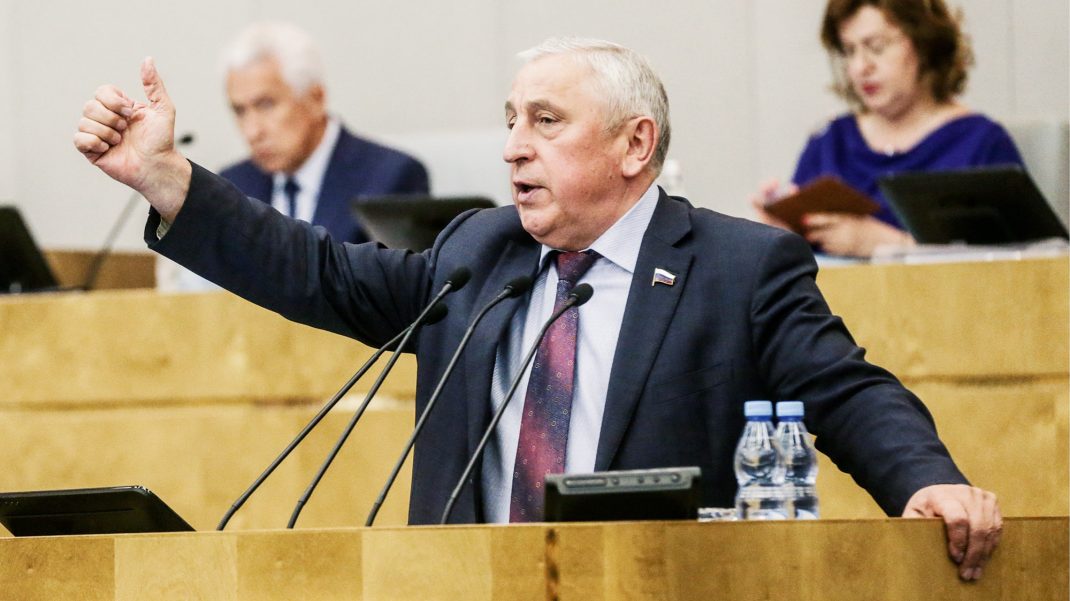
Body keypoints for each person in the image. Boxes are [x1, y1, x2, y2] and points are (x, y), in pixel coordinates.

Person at [74, 38, 1000, 581]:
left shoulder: (738, 267)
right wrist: (169, 180)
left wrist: (927, 481)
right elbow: (318, 271)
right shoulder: (478, 253)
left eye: (546, 122)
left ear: (636, 144)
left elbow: (846, 389)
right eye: (512, 119)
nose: (514, 146)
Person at [751, 0, 1024, 258]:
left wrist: (893, 246)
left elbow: (1019, 267)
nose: (860, 67)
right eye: (849, 51)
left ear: (924, 44)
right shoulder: (829, 141)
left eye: (877, 47)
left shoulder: (981, 144)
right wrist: (780, 236)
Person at [220, 21, 429, 243]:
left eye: (266, 105)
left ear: (316, 99)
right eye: (240, 111)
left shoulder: (391, 177)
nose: (252, 131)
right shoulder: (232, 185)